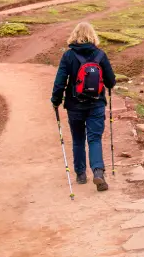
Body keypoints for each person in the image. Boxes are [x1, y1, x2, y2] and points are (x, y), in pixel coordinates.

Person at [50, 22, 117, 191]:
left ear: (74, 35)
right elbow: (111, 81)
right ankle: (98, 172)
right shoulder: (100, 55)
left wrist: (55, 100)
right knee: (94, 138)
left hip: (74, 106)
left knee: (78, 140)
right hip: (96, 105)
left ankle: (80, 174)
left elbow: (60, 82)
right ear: (93, 35)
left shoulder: (68, 56)